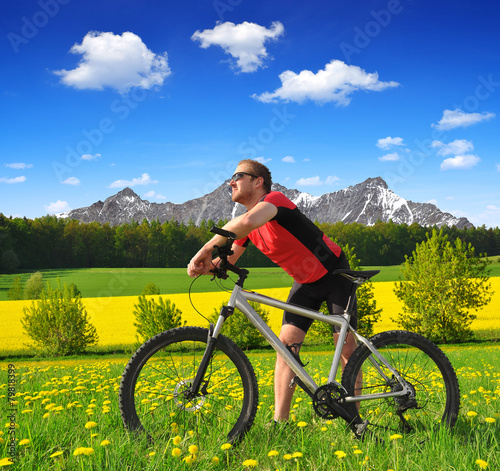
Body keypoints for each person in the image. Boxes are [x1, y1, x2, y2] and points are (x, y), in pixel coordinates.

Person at [187, 159, 359, 423]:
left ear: (258, 182)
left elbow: (245, 222)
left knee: (345, 346)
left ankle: (355, 419)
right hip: (304, 282)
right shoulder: (247, 225)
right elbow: (228, 260)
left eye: (237, 176)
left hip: (335, 274)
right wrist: (207, 267)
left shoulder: (275, 201)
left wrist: (205, 249)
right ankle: (281, 423)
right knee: (285, 347)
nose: (230, 182)